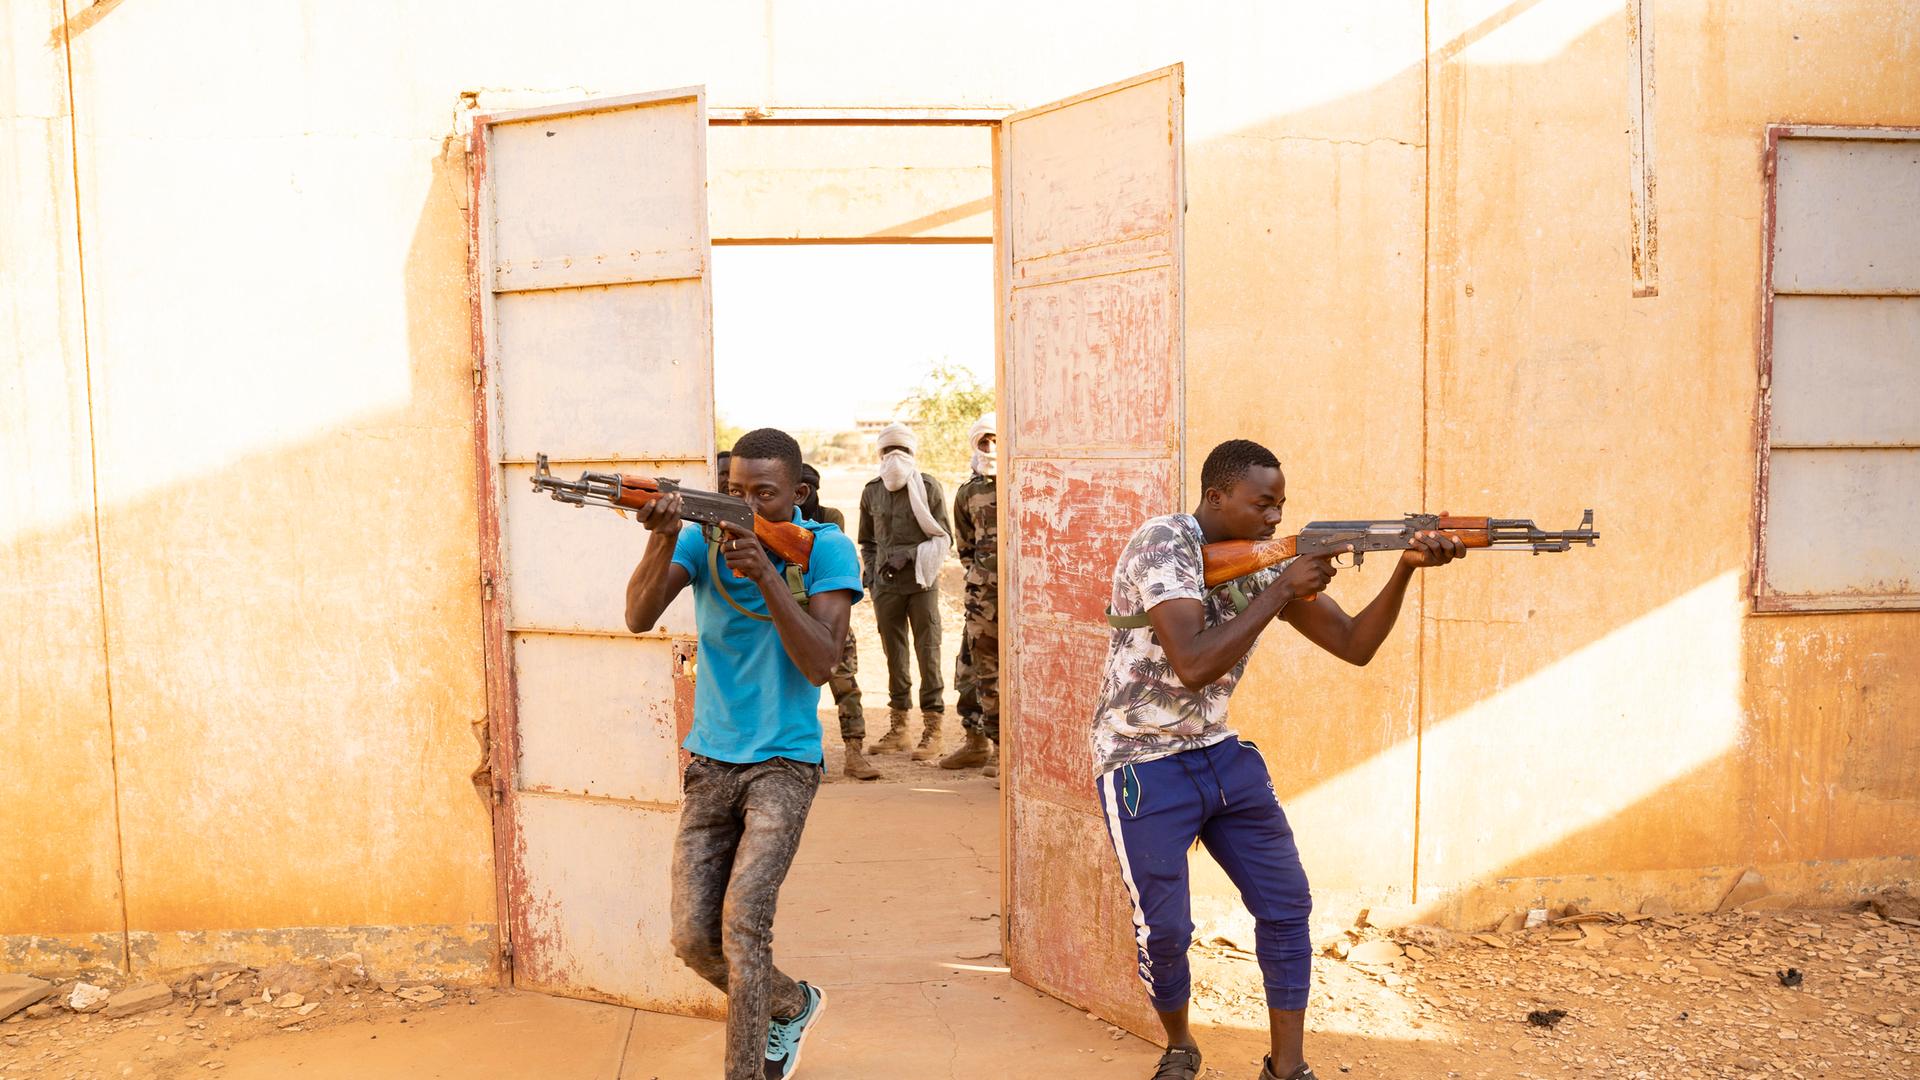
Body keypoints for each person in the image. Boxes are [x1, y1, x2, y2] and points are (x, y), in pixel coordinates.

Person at [1093, 439, 1464, 1080]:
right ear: (1217, 497)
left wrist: (1403, 567)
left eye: (1281, 506)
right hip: (1139, 759)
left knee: (1288, 906)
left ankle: (1287, 1068)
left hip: (1218, 752)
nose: (1274, 519)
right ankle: (1181, 1044)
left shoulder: (1266, 564)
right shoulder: (1163, 544)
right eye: (1263, 504)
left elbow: (1354, 644)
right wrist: (1282, 588)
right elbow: (1193, 663)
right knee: (1168, 930)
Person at [623, 427, 863, 1080]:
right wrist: (664, 533)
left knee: (744, 927)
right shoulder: (701, 539)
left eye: (764, 494)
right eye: (734, 492)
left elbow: (821, 662)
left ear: (799, 493)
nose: (747, 503)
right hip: (711, 762)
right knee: (693, 939)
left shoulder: (827, 549)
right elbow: (638, 616)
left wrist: (768, 570)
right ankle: (793, 1004)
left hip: (785, 762)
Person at [856, 423, 951, 761]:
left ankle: (933, 729)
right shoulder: (871, 491)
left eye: (902, 450)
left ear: (913, 453)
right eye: (888, 451)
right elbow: (866, 541)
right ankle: (899, 729)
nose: (895, 457)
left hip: (921, 584)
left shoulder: (927, 487)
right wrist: (871, 573)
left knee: (929, 653)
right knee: (894, 657)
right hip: (886, 588)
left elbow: (943, 537)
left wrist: (909, 554)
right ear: (880, 455)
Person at [798, 462, 876, 781]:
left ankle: (854, 753)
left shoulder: (830, 518)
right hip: (792, 615)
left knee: (845, 684)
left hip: (829, 614)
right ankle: (807, 758)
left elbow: (823, 556)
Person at [941, 414, 999, 777]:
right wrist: (982, 581)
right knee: (982, 672)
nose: (991, 448)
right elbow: (965, 547)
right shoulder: (968, 492)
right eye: (984, 442)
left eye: (996, 440)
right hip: (983, 602)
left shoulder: (1026, 483)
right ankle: (992, 749)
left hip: (1024, 601)